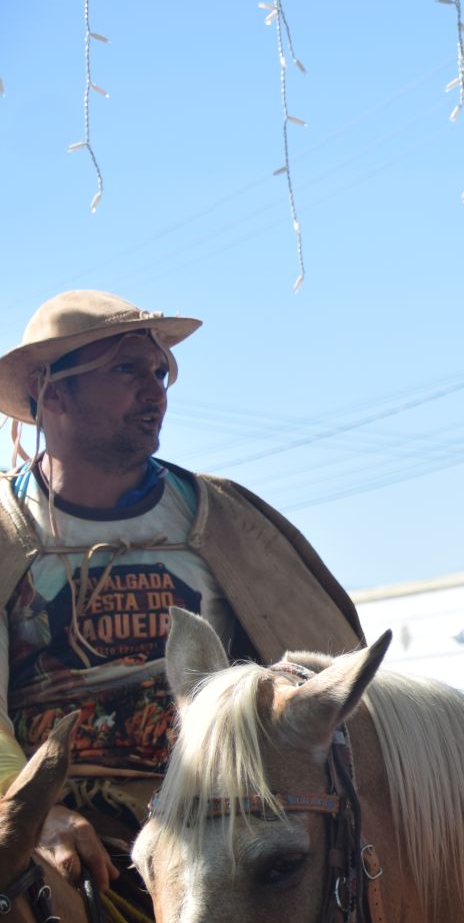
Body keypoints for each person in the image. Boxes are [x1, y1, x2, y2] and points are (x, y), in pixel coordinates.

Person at [0, 290, 362, 891]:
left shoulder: (221, 519)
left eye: (160, 371)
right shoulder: (9, 532)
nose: (155, 390)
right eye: (126, 369)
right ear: (51, 390)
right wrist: (30, 814)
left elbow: (316, 684)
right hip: (50, 830)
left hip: (221, 821)